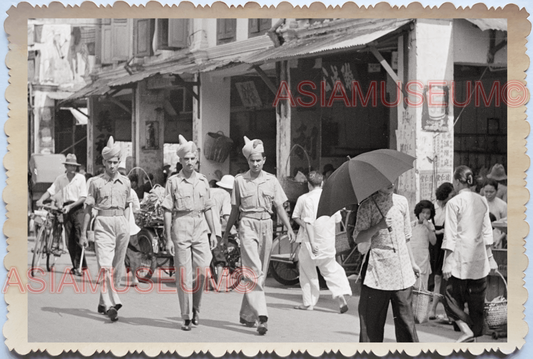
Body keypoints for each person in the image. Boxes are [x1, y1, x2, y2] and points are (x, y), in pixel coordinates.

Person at [223, 136, 295, 335]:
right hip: (247, 224)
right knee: (253, 270)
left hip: (266, 225)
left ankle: (247, 314)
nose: (255, 164)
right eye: (251, 161)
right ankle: (262, 317)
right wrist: (227, 232)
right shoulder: (239, 181)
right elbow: (235, 209)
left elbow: (279, 206)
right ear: (247, 161)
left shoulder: (271, 181)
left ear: (264, 160)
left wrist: (288, 227)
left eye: (258, 160)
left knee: (260, 275)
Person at [162, 135, 217, 331]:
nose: (190, 162)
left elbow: (209, 207)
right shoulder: (174, 182)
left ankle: (196, 307)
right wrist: (168, 237)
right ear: (181, 161)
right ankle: (186, 315)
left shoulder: (203, 181)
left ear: (197, 160)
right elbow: (167, 210)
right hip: (181, 225)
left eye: (193, 158)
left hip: (200, 226)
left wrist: (213, 233)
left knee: (203, 269)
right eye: (186, 159)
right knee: (184, 274)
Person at [353, 183, 420, 343]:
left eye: (393, 179)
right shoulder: (367, 205)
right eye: (384, 180)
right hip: (377, 273)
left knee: (406, 324)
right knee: (371, 326)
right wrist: (378, 226)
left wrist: (412, 263)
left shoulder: (402, 201)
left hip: (402, 272)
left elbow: (406, 237)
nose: (390, 183)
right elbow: (358, 237)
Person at [442, 165, 498, 342]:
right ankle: (473, 336)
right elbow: (487, 231)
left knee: (449, 296)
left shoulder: (454, 203)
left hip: (459, 258)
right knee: (477, 302)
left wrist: (447, 262)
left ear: (458, 181)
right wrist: (491, 259)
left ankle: (467, 330)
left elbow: (450, 235)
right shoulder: (481, 200)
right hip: (479, 259)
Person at [80, 137, 131, 322]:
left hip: (121, 224)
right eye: (109, 162)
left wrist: (129, 227)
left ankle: (103, 299)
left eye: (115, 162)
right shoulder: (95, 182)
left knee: (117, 267)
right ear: (103, 162)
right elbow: (88, 209)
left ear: (119, 163)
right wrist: (84, 233)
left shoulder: (126, 182)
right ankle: (111, 303)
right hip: (102, 223)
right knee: (105, 264)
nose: (112, 165)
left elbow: (128, 208)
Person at [292, 171, 352, 312]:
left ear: (308, 184)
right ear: (323, 183)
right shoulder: (331, 198)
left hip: (309, 243)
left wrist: (312, 241)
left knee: (307, 272)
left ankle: (309, 303)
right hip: (327, 242)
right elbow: (337, 220)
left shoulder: (304, 199)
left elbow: (303, 220)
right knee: (331, 270)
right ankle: (340, 298)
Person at [36, 153, 87, 276]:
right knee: (69, 239)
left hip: (78, 208)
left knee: (79, 236)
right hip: (65, 209)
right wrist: (41, 200)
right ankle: (76, 266)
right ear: (66, 167)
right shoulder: (60, 179)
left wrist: (70, 206)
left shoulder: (80, 178)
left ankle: (81, 266)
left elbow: (83, 197)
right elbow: (50, 191)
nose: (73, 168)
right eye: (70, 165)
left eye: (74, 166)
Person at [428, 182, 454, 320]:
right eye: (451, 194)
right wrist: (439, 231)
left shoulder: (452, 206)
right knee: (436, 277)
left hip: (446, 243)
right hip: (434, 244)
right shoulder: (433, 207)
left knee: (441, 278)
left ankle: (435, 309)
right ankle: (432, 309)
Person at [209, 174, 235, 289]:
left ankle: (209, 282)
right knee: (218, 257)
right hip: (214, 229)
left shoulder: (209, 191)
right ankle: (218, 284)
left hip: (199, 227)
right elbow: (226, 216)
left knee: (205, 257)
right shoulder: (225, 195)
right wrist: (233, 230)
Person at [410, 200, 437, 291]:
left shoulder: (430, 226)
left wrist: (430, 229)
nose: (425, 215)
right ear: (418, 212)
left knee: (421, 288)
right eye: (423, 212)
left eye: (428, 213)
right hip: (412, 259)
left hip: (423, 260)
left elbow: (433, 242)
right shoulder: (412, 225)